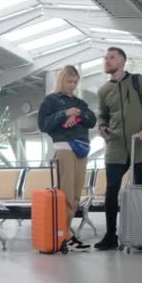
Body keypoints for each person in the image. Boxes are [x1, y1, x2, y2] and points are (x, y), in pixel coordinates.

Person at [94, 47, 142, 250]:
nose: (107, 60)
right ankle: (110, 236)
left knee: (140, 189)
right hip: (114, 146)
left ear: (123, 61)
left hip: (141, 144)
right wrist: (102, 127)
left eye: (111, 57)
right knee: (111, 191)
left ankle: (141, 235)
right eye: (105, 57)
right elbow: (102, 115)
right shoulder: (103, 90)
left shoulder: (140, 81)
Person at [38, 65, 96, 252]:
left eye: (75, 82)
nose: (72, 85)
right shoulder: (51, 100)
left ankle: (63, 233)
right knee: (67, 194)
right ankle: (63, 235)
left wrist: (77, 113)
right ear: (61, 80)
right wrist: (65, 114)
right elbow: (44, 125)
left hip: (82, 149)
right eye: (69, 81)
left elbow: (92, 119)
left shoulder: (79, 103)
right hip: (64, 148)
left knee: (76, 196)